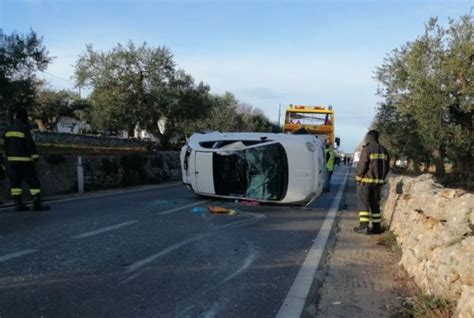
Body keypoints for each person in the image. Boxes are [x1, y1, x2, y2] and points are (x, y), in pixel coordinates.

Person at [4, 108, 50, 211]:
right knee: (34, 183)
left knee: (15, 184)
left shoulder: (8, 128)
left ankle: (18, 205)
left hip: (12, 162)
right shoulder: (25, 128)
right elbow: (30, 144)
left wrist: (8, 158)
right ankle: (36, 203)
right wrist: (35, 157)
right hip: (25, 161)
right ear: (23, 116)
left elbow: (5, 146)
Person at [354, 130, 389, 234]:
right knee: (375, 205)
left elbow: (362, 166)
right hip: (378, 183)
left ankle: (364, 226)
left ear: (369, 137)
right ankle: (376, 227)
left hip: (365, 182)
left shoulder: (367, 149)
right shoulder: (384, 150)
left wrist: (358, 178)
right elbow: (387, 167)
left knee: (363, 204)